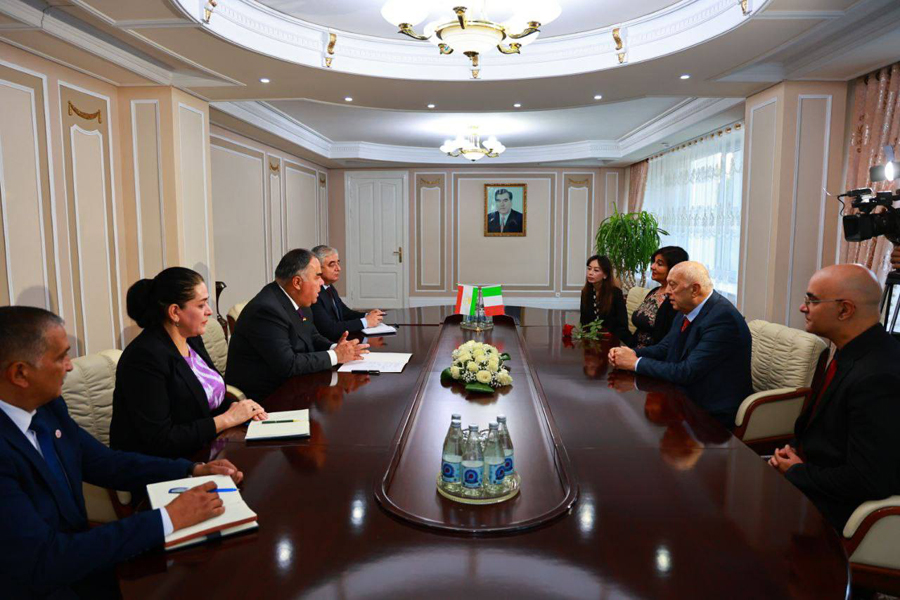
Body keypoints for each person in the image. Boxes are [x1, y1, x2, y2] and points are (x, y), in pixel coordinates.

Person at [0, 306, 243, 598]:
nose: (69, 366)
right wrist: (168, 518)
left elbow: (104, 462)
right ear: (20, 373)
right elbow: (43, 560)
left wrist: (190, 469)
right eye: (61, 357)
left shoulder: (49, 408)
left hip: (83, 560)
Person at [768, 264, 900, 530]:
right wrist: (792, 451)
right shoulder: (852, 349)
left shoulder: (878, 375)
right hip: (812, 483)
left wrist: (797, 472)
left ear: (844, 310)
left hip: (839, 517)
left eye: (812, 301)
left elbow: (868, 479)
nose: (803, 308)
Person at [111, 268, 267, 459]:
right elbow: (161, 439)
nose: (209, 311)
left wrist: (242, 409)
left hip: (206, 447)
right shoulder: (144, 358)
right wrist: (227, 419)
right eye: (201, 305)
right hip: (165, 465)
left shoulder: (191, 338)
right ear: (175, 312)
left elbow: (206, 397)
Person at [608, 261, 752, 427]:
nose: (667, 291)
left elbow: (687, 372)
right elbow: (665, 348)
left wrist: (635, 363)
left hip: (710, 411)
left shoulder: (722, 319)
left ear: (694, 289)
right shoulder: (687, 308)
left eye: (673, 285)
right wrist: (629, 354)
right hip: (683, 395)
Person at [226, 249, 368, 402]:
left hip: (294, 387)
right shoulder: (266, 310)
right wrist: (336, 356)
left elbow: (312, 336)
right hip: (266, 399)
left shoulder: (298, 300)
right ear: (297, 282)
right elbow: (288, 364)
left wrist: (337, 348)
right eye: (317, 277)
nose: (322, 282)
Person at [309, 245, 386, 343]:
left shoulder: (329, 287)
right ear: (318, 268)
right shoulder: (314, 293)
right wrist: (366, 322)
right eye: (332, 265)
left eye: (338, 263)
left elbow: (345, 313)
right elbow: (330, 329)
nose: (338, 268)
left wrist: (368, 315)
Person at [631, 246, 688, 349]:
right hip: (634, 349)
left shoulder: (675, 299)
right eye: (654, 262)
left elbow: (667, 340)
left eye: (659, 264)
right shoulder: (654, 291)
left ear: (673, 268)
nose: (652, 266)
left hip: (653, 354)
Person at [580, 255, 630, 342]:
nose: (590, 273)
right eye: (589, 269)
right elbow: (584, 321)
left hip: (614, 338)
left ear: (605, 275)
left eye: (596, 270)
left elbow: (622, 324)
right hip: (592, 339)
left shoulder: (615, 293)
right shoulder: (586, 292)